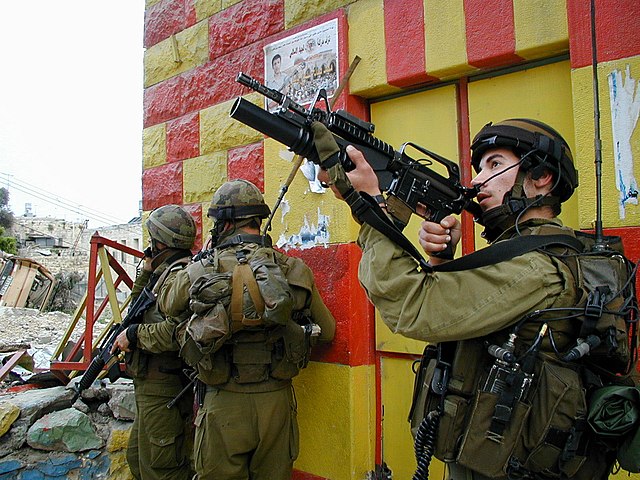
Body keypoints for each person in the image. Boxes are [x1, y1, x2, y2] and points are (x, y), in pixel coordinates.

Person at [315, 119, 618, 479]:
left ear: (541, 178)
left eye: (496, 164)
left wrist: (377, 209)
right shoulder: (523, 254)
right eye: (479, 167)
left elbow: (414, 309)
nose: (476, 180)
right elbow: (466, 321)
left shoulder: (537, 268)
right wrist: (442, 261)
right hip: (494, 456)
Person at [158, 179, 336, 480]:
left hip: (223, 402)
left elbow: (167, 306)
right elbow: (328, 331)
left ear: (224, 224)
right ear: (257, 220)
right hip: (276, 403)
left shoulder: (202, 269)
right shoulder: (292, 269)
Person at [111, 204, 197, 480]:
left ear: (162, 242)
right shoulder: (161, 274)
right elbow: (134, 313)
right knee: (138, 459)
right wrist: (146, 272)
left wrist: (134, 336)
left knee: (164, 469)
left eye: (152, 240)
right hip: (149, 386)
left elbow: (177, 332)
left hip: (166, 387)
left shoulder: (180, 277)